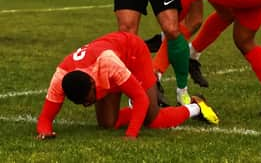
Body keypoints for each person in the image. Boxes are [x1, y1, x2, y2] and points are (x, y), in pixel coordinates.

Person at [36, 31, 218, 140]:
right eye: (83, 103)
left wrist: (131, 135)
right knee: (107, 123)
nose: (87, 105)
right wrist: (45, 132)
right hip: (109, 65)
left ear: (92, 83)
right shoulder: (60, 77)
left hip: (133, 53)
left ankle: (196, 106)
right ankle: (137, 106)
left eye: (88, 100)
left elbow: (140, 97)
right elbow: (45, 119)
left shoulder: (107, 64)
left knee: (152, 119)